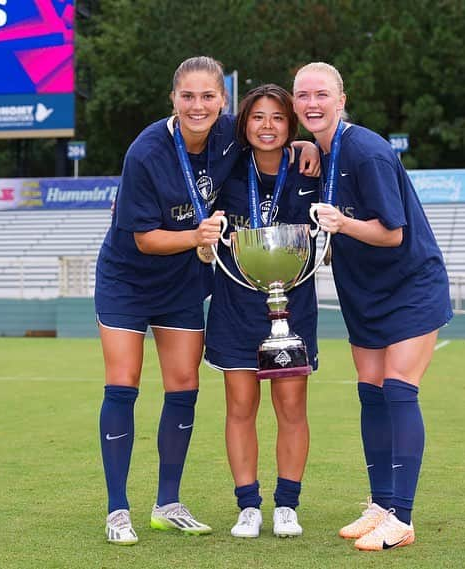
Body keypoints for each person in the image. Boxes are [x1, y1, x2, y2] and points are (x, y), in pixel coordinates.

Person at [94, 57, 319, 545]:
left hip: (182, 282)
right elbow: (142, 239)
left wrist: (303, 143)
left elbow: (270, 134)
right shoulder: (146, 151)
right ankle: (117, 509)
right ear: (173, 99)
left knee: (183, 386)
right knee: (123, 384)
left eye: (208, 97)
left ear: (222, 102)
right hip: (128, 280)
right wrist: (195, 234)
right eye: (188, 96)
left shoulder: (228, 137)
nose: (198, 106)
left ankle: (167, 503)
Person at [292, 62, 453, 551]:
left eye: (322, 94)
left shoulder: (367, 151)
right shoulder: (318, 153)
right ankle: (380, 504)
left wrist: (341, 223)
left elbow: (393, 232)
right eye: (302, 95)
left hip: (409, 286)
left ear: (342, 99)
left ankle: (402, 517)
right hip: (362, 292)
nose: (311, 103)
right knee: (371, 393)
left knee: (400, 390)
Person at [205, 84, 319, 539]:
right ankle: (248, 505)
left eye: (277, 117)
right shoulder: (227, 170)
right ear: (244, 124)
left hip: (293, 305)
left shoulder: (313, 167)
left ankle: (286, 505)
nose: (267, 126)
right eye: (257, 117)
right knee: (240, 406)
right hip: (236, 304)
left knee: (291, 406)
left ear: (291, 125)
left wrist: (311, 143)